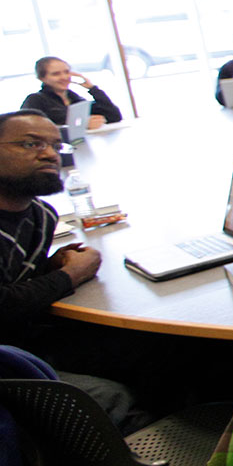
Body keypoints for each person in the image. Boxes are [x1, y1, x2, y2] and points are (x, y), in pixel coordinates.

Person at [0, 110, 148, 432]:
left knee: (155, 351)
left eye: (56, 146)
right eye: (30, 144)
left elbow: (13, 277)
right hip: (8, 361)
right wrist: (69, 276)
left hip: (26, 341)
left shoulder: (40, 214)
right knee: (112, 397)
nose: (50, 154)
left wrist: (51, 266)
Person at [20, 57, 123, 129]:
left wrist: (92, 89)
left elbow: (114, 116)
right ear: (42, 78)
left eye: (67, 72)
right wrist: (82, 125)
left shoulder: (75, 99)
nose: (64, 77)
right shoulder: (36, 100)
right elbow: (32, 129)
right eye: (56, 74)